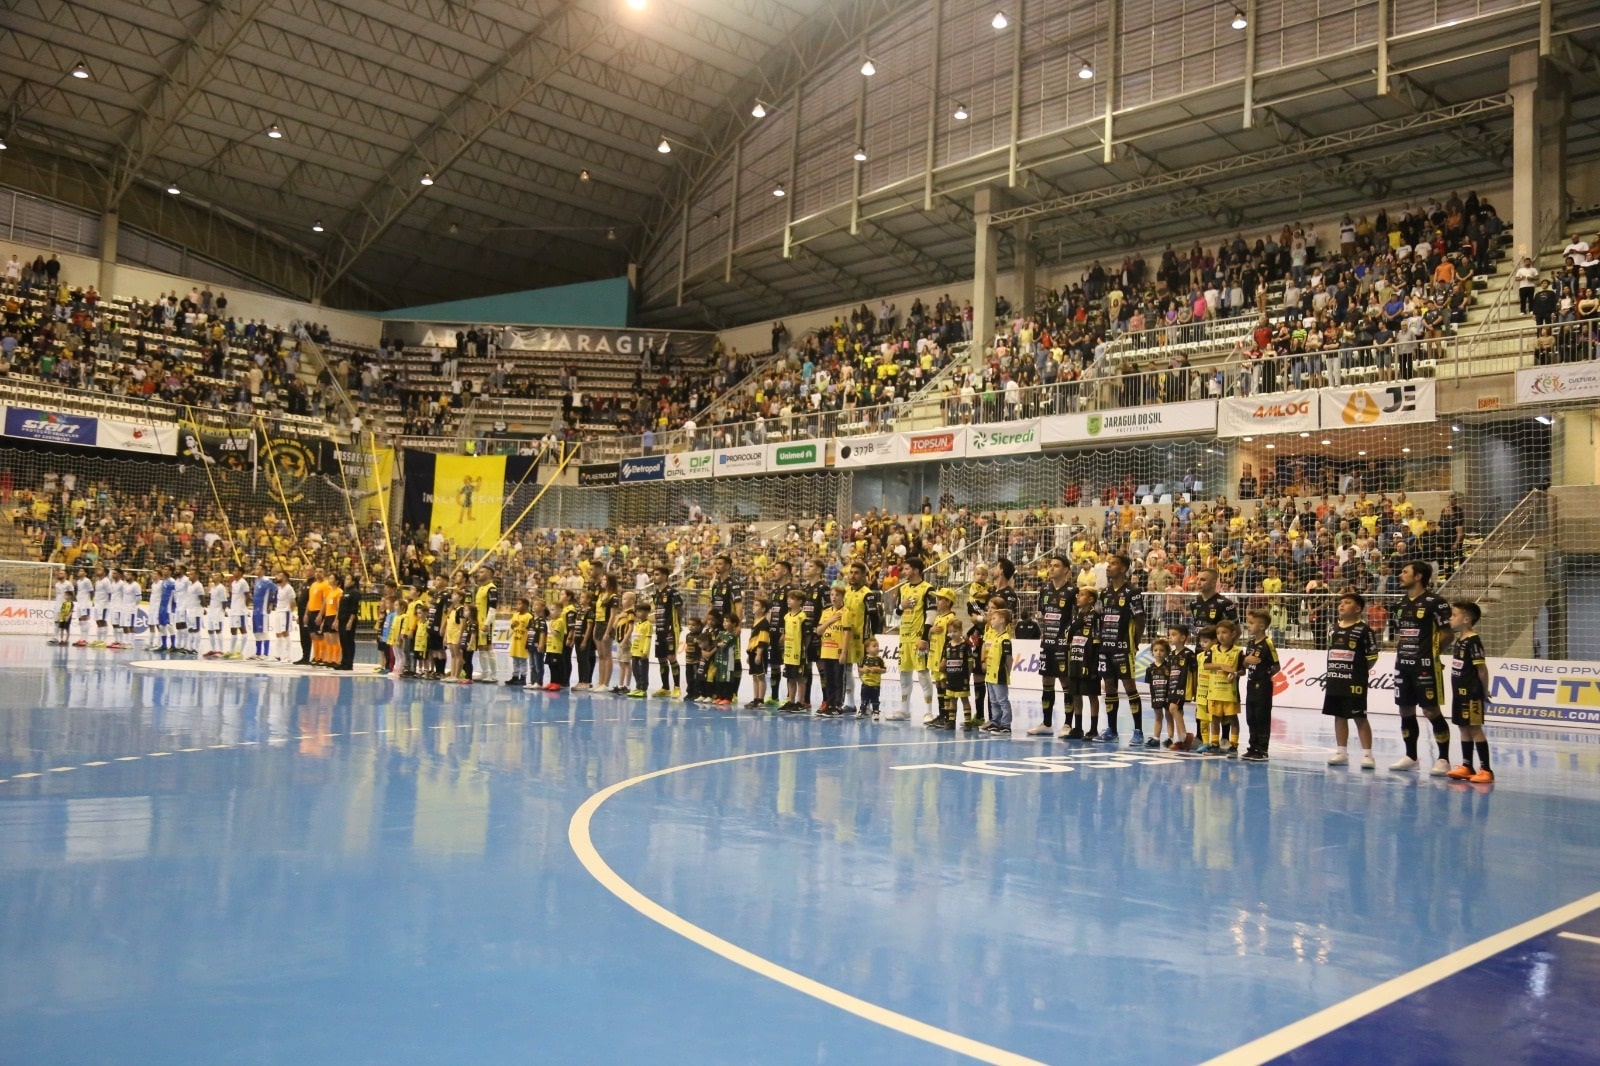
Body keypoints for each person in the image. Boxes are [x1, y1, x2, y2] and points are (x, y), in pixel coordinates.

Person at [1389, 560, 1454, 775]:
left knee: (1430, 710)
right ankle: (1411, 756)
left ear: (1418, 577)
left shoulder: (1435, 602)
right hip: (1403, 665)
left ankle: (1443, 759)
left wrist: (1434, 654)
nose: (1400, 575)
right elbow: (1400, 635)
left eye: (1405, 572)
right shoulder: (1399, 605)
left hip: (1425, 665)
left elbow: (1447, 633)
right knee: (1405, 709)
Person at [1096, 554, 1146, 744]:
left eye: (1114, 564)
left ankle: (1139, 731)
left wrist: (1134, 641)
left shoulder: (1132, 592)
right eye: (1108, 563)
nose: (1109, 567)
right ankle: (1112, 730)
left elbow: (1140, 620)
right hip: (1105, 648)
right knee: (1109, 687)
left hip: (1123, 648)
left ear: (1124, 568)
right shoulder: (1105, 592)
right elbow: (1100, 619)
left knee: (1129, 686)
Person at [1325, 592, 1379, 769]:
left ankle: (1367, 755)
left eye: (1347, 603)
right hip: (1335, 678)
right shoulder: (1333, 628)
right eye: (1340, 602)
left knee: (1359, 716)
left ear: (1357, 609)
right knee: (1339, 715)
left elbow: (1372, 657)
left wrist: (1359, 673)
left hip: (1354, 680)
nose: (1341, 605)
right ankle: (1341, 752)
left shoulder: (1364, 630)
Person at [1445, 601, 1495, 783]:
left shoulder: (1473, 641)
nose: (1450, 618)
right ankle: (1467, 766)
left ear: (1466, 619)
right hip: (1459, 692)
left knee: (1475, 729)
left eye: (1454, 614)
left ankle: (1486, 769)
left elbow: (1482, 669)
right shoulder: (1460, 640)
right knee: (1462, 727)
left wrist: (1484, 691)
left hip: (1472, 694)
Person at [1035, 553, 1077, 737]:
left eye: (1056, 566)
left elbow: (1075, 619)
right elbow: (1041, 614)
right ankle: (1046, 723)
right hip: (1047, 643)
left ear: (1066, 570)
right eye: (1050, 565)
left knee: (1065, 681)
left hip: (1063, 645)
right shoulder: (1044, 590)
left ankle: (1068, 724)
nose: (1051, 568)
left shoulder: (1072, 592)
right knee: (1046, 681)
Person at [892, 557, 934, 721]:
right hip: (904, 638)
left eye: (907, 569)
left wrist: (925, 638)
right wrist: (902, 606)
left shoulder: (928, 589)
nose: (904, 572)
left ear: (916, 570)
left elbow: (931, 615)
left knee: (923, 674)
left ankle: (928, 711)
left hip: (919, 639)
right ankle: (904, 710)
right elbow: (895, 615)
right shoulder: (903, 589)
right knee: (904, 674)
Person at [1241, 609, 1280, 761]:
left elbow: (1277, 666)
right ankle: (1252, 747)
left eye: (1251, 623)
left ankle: (1262, 749)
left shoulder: (1268, 643)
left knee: (1261, 716)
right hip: (1250, 685)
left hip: (1262, 686)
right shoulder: (1250, 643)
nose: (1248, 625)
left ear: (1262, 626)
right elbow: (1245, 663)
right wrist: (1246, 661)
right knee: (1251, 717)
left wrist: (1265, 676)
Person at [1202, 618, 1243, 754]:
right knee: (1215, 719)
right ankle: (1214, 744)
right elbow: (1206, 665)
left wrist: (1236, 673)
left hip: (1230, 692)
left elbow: (1243, 670)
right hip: (1214, 692)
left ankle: (1234, 744)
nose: (1221, 635)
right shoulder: (1212, 649)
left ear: (1233, 634)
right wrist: (1220, 665)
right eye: (1218, 633)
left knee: (1233, 718)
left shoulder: (1238, 651)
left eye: (1224, 632)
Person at [1064, 588, 1101, 740]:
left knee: (1092, 695)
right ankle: (1078, 727)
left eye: (1082, 595)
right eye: (1078, 595)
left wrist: (1095, 665)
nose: (1078, 597)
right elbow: (1068, 635)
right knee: (1076, 694)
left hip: (1089, 660)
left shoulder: (1095, 617)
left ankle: (1093, 729)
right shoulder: (1076, 615)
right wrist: (1077, 624)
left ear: (1091, 599)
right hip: (1075, 659)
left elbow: (1098, 641)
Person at [926, 588, 962, 729]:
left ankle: (949, 717)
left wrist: (946, 659)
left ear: (948, 602)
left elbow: (952, 640)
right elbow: (931, 636)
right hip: (934, 656)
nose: (937, 601)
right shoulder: (938, 617)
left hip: (943, 658)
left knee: (947, 687)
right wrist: (930, 631)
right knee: (939, 686)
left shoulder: (951, 618)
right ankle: (941, 715)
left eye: (941, 599)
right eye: (937, 598)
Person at [817, 584, 851, 716]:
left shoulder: (846, 612)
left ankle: (837, 705)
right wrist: (829, 621)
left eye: (837, 595)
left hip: (838, 651)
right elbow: (819, 631)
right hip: (826, 650)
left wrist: (844, 652)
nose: (834, 597)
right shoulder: (826, 612)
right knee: (829, 679)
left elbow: (847, 633)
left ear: (842, 597)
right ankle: (829, 703)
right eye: (832, 595)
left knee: (838, 679)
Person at [650, 565, 683, 697]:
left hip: (670, 629)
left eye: (657, 574)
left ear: (664, 576)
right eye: (654, 574)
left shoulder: (672, 592)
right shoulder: (656, 594)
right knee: (661, 658)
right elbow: (657, 613)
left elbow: (680, 609)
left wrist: (677, 625)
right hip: (659, 629)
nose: (654, 577)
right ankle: (665, 687)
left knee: (671, 657)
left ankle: (677, 687)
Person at [982, 606, 1015, 735]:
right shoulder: (995, 637)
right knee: (993, 700)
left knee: (1002, 700)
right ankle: (995, 722)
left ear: (1002, 620)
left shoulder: (1005, 639)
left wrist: (1007, 672)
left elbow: (1009, 659)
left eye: (994, 618)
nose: (991, 620)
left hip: (999, 674)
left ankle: (1006, 724)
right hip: (990, 674)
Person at [1164, 623, 1197, 750]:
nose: (1170, 637)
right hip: (1172, 686)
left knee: (1173, 708)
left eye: (1173, 634)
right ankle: (1180, 740)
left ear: (1183, 638)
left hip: (1183, 687)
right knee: (1178, 711)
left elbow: (1194, 672)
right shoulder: (1171, 655)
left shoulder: (1189, 654)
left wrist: (1194, 688)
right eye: (1169, 635)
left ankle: (1185, 736)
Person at [780, 588, 808, 711]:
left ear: (800, 601)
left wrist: (803, 649)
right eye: (788, 598)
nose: (789, 601)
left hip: (799, 652)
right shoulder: (787, 616)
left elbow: (807, 636)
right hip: (788, 652)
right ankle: (791, 701)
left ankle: (800, 702)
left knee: (800, 678)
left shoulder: (802, 617)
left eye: (792, 599)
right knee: (790, 678)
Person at [1145, 639, 1173, 746]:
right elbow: (1149, 684)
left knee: (1169, 716)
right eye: (1155, 650)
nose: (1158, 652)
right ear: (1152, 652)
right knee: (1158, 716)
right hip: (1156, 696)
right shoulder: (1150, 668)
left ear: (1166, 652)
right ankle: (1156, 738)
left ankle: (1170, 738)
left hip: (1167, 695)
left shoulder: (1169, 666)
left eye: (1161, 650)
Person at [474, 569, 500, 683]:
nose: (478, 574)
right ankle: (485, 673)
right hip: (478, 622)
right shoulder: (480, 588)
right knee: (481, 648)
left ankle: (493, 675)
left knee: (488, 647)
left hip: (485, 623)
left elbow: (493, 608)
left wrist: (487, 623)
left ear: (489, 574)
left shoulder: (492, 588)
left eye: (482, 572)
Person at [745, 597, 770, 709]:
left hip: (759, 652)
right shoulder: (755, 621)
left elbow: (763, 640)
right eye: (753, 605)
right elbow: (752, 639)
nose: (753, 607)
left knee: (760, 676)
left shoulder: (764, 623)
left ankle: (761, 700)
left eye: (757, 605)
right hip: (752, 652)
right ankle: (755, 699)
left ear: (763, 609)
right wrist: (749, 653)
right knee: (755, 676)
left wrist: (759, 654)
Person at [627, 603, 652, 697]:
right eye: (639, 611)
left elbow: (648, 639)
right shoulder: (637, 625)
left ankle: (643, 689)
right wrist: (632, 650)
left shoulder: (648, 625)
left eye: (645, 611)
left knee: (643, 671)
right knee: (635, 670)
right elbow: (635, 638)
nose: (642, 613)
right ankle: (638, 687)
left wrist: (645, 651)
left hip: (642, 653)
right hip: (635, 652)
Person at [859, 638, 885, 719]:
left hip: (875, 684)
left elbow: (884, 670)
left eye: (877, 646)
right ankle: (862, 710)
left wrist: (878, 670)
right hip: (865, 684)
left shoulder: (880, 660)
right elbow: (859, 669)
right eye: (874, 646)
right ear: (867, 649)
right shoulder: (864, 659)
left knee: (875, 699)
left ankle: (875, 711)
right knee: (864, 698)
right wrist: (863, 670)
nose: (877, 647)